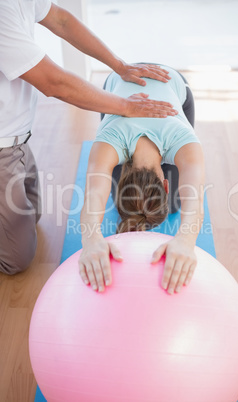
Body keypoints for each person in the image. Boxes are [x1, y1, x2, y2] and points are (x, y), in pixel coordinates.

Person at [0, 0, 178, 275]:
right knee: (17, 260)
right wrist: (125, 106)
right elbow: (53, 82)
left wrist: (120, 66)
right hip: (4, 144)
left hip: (19, 139)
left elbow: (61, 20)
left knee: (32, 216)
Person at [79, 64, 205, 295]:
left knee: (174, 205)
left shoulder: (183, 139)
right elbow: (94, 195)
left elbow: (95, 195)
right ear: (166, 185)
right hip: (119, 84)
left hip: (169, 82)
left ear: (166, 186)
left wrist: (187, 241)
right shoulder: (109, 138)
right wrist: (90, 240)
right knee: (161, 205)